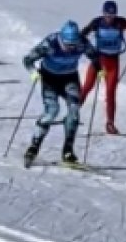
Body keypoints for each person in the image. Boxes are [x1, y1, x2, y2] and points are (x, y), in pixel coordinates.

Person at [21, 21, 101, 167]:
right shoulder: (50, 43)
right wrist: (33, 72)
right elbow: (27, 59)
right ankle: (34, 146)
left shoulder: (81, 42)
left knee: (74, 110)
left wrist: (99, 68)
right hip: (49, 78)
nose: (71, 48)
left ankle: (68, 150)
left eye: (73, 44)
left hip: (69, 78)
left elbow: (94, 55)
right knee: (52, 111)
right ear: (61, 39)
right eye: (68, 44)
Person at [80, 0, 126, 135]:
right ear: (103, 13)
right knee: (87, 87)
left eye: (112, 15)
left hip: (113, 63)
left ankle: (110, 123)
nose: (109, 18)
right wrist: (82, 41)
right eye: (107, 15)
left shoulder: (121, 22)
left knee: (110, 93)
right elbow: (82, 34)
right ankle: (73, 114)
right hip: (98, 61)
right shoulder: (97, 22)